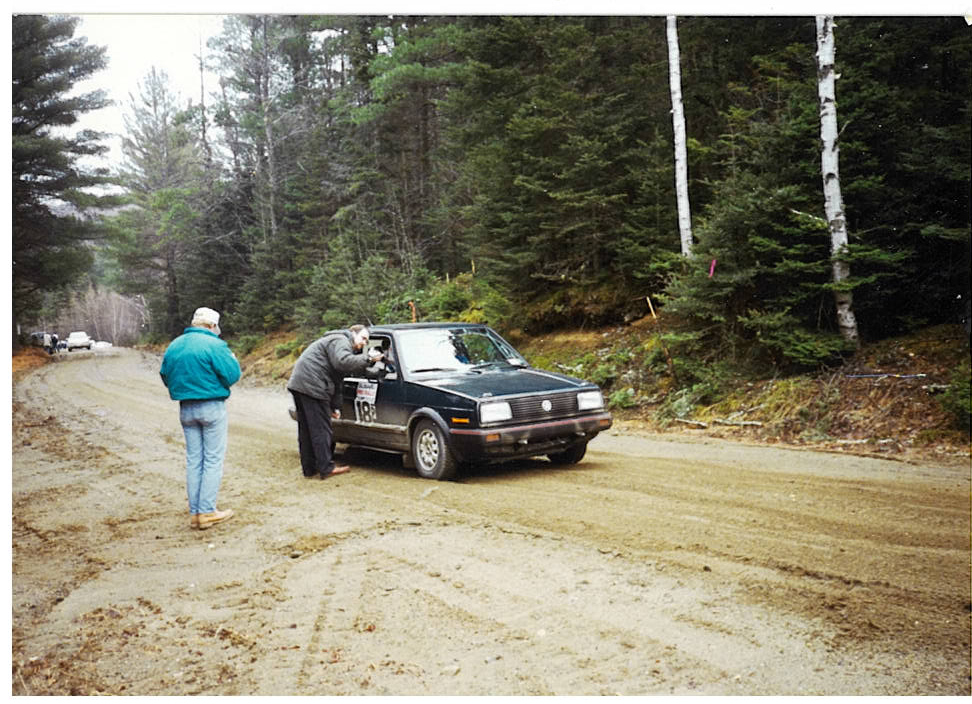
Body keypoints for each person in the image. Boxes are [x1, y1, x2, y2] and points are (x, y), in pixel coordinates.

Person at [160, 307, 241, 530]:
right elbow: (232, 375)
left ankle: (196, 512)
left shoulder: (175, 345)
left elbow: (165, 375)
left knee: (194, 460)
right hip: (212, 406)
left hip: (186, 408)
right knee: (213, 460)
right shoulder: (215, 345)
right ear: (212, 326)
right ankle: (207, 511)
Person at [287, 324, 383, 479]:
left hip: (300, 383)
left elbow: (338, 377)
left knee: (306, 429)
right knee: (321, 429)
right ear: (353, 333)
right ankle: (326, 468)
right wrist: (369, 358)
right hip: (313, 384)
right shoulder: (340, 340)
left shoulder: (336, 341)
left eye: (367, 341)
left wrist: (334, 406)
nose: (364, 343)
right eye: (363, 338)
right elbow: (343, 362)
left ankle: (310, 468)